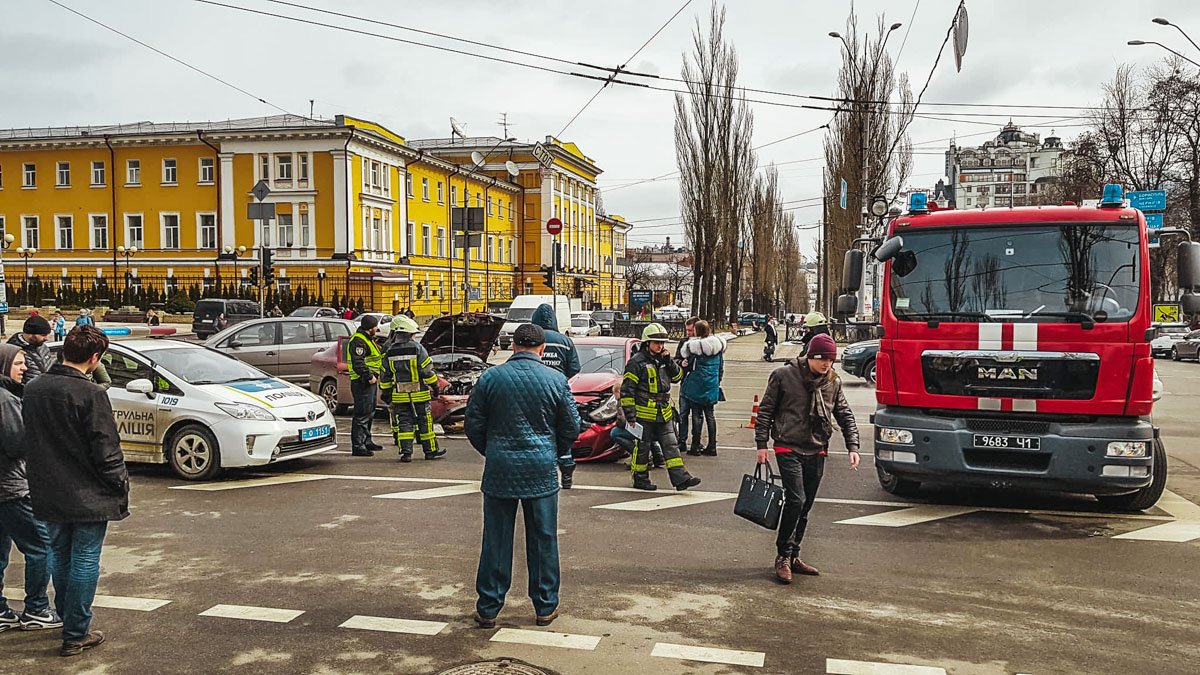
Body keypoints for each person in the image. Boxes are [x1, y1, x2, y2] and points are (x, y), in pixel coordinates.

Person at [465, 323, 580, 629]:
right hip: (541, 470)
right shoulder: (556, 380)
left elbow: (473, 423)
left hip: (500, 469)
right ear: (542, 349)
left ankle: (488, 608)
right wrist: (557, 450)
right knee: (543, 539)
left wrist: (492, 450)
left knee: (496, 540)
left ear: (513, 346)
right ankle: (545, 606)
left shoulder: (491, 377)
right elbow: (572, 426)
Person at [24, 325, 128, 656]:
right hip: (88, 492)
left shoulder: (34, 388)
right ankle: (75, 631)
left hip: (48, 488)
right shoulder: (92, 394)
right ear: (95, 358)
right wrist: (119, 482)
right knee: (84, 558)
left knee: (59, 554)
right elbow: (105, 448)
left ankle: (68, 622)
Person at [754, 333, 859, 584]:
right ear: (810, 356)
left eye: (831, 360)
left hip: (817, 448)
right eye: (822, 359)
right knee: (796, 499)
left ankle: (794, 554)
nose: (826, 364)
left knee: (806, 504)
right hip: (788, 446)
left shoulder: (832, 381)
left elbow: (844, 413)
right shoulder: (783, 376)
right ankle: (782, 555)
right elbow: (766, 409)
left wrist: (852, 446)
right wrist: (761, 445)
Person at [0, 344, 61, 634]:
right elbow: (17, 443)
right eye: (18, 363)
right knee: (41, 546)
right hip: (11, 487)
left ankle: (1, 610)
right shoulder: (4, 399)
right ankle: (37, 609)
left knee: (1, 550)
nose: (24, 368)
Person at [619, 323, 702, 492]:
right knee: (642, 448)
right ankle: (640, 479)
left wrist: (669, 361)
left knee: (671, 446)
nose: (660, 346)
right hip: (643, 414)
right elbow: (627, 390)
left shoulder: (664, 360)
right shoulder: (636, 362)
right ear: (647, 343)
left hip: (663, 413)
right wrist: (630, 415)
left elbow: (678, 376)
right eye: (657, 342)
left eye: (662, 343)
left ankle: (681, 479)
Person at [380, 315, 445, 462]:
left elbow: (385, 375)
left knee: (404, 422)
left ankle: (406, 453)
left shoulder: (389, 351)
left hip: (400, 395)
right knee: (425, 422)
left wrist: (386, 392)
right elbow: (427, 371)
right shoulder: (418, 348)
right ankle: (430, 451)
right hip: (419, 394)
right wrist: (435, 386)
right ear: (409, 334)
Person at [531, 304, 580, 488]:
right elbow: (575, 368)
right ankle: (566, 475)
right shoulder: (565, 341)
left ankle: (540, 471)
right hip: (559, 392)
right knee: (563, 430)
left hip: (534, 393)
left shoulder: (533, 338)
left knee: (537, 431)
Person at [679, 320, 726, 456]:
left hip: (697, 385)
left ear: (697, 331)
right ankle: (712, 446)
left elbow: (688, 365)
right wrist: (717, 382)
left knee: (696, 415)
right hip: (712, 384)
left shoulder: (695, 347)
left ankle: (695, 445)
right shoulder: (718, 347)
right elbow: (721, 367)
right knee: (710, 415)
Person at [346, 314, 384, 456]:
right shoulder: (359, 341)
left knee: (369, 412)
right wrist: (369, 376)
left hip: (368, 382)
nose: (377, 329)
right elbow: (358, 363)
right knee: (362, 414)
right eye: (375, 326)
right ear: (370, 328)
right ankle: (358, 446)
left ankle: (367, 441)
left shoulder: (368, 339)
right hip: (362, 382)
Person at [673, 318, 699, 461]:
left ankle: (696, 442)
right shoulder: (683, 342)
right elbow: (676, 358)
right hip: (685, 382)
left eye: (691, 330)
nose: (688, 333)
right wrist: (680, 362)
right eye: (687, 330)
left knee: (696, 415)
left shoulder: (703, 344)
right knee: (683, 414)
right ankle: (682, 441)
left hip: (697, 385)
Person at [8, 316, 53, 384]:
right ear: (30, 334)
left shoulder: (43, 347)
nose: (46, 339)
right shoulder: (12, 350)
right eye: (43, 335)